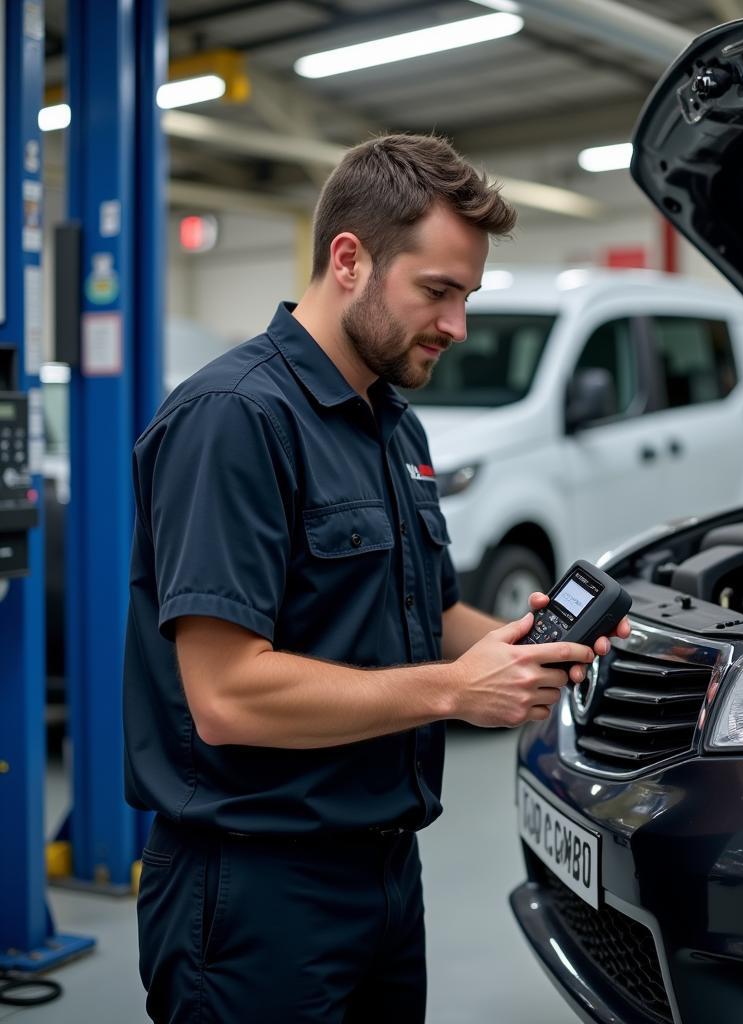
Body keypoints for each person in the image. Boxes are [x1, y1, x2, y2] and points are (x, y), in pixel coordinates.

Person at [123, 133, 630, 1024]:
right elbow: (226, 696)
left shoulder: (393, 425)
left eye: (465, 296)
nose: (456, 326)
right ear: (349, 260)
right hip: (255, 894)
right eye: (436, 292)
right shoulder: (233, 419)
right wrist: (451, 694)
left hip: (385, 876)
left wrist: (527, 653)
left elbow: (428, 617)